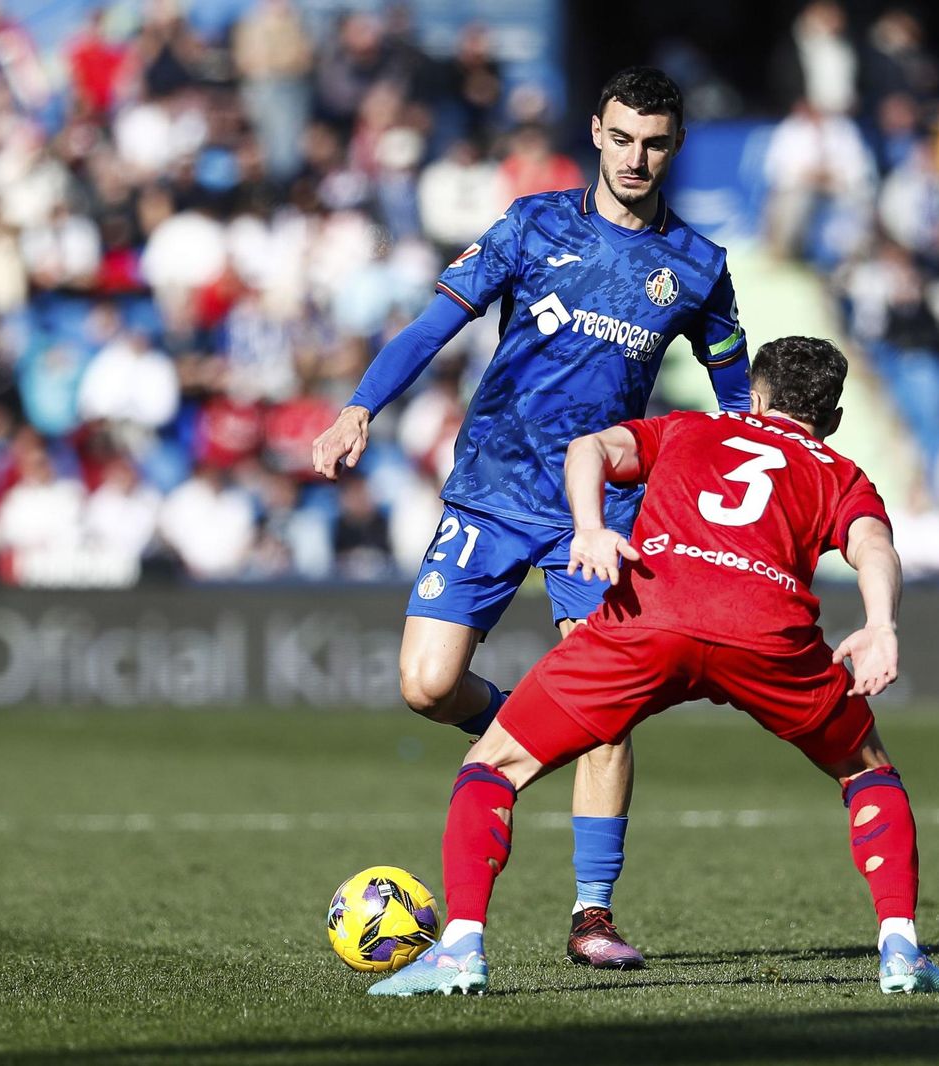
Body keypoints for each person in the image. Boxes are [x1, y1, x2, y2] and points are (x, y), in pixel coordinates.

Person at [311, 67, 750, 969]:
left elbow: (736, 401)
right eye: (622, 137)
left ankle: (593, 915)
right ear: (596, 131)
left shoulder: (698, 268)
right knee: (427, 686)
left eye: (655, 142)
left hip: (603, 508)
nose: (636, 157)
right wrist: (361, 405)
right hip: (493, 485)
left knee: (612, 714)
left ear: (674, 146)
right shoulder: (533, 224)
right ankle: (530, 728)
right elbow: (434, 325)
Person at [368, 336, 939, 998]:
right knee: (867, 771)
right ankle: (902, 951)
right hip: (766, 634)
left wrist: (590, 527)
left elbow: (587, 447)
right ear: (834, 418)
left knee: (493, 765)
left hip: (651, 613)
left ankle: (461, 949)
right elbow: (874, 545)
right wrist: (880, 625)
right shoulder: (841, 473)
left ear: (756, 397)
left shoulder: (690, 426)